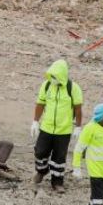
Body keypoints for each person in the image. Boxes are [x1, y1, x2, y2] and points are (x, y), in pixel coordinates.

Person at [33, 59, 84, 192]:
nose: (53, 79)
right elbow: (40, 104)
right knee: (40, 152)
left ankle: (57, 182)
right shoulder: (46, 85)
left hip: (64, 130)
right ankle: (41, 171)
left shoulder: (73, 88)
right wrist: (35, 122)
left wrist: (78, 126)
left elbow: (78, 108)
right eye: (52, 76)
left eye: (55, 76)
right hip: (46, 128)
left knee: (59, 158)